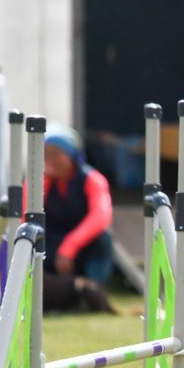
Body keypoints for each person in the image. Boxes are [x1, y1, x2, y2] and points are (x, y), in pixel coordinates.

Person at [39, 124, 116, 314]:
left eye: (57, 153)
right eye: (46, 154)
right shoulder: (40, 182)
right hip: (51, 248)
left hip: (83, 247)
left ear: (72, 154)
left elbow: (101, 217)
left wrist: (70, 246)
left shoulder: (93, 179)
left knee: (104, 236)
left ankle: (94, 289)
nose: (51, 160)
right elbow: (25, 216)